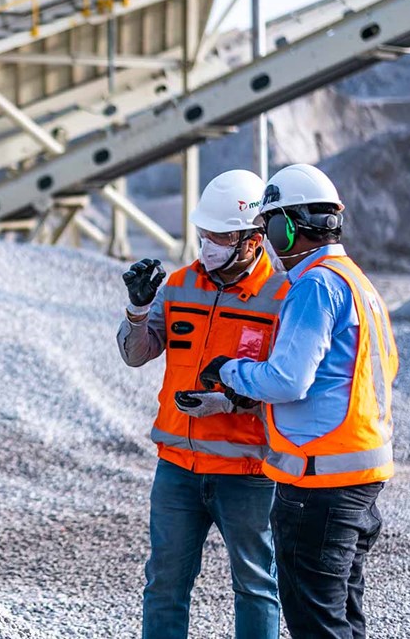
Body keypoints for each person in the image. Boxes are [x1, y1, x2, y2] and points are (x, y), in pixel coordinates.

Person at [199, 163, 399, 639]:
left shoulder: (314, 286)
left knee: (316, 626)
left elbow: (288, 381)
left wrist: (230, 370)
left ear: (287, 227)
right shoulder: (355, 281)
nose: (266, 238)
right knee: (343, 619)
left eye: (268, 225)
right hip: (360, 478)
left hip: (320, 483)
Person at [116, 168, 289, 639]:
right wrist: (136, 308)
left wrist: (229, 404)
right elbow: (136, 355)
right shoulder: (178, 285)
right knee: (165, 585)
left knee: (255, 585)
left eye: (219, 237)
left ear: (254, 240)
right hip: (177, 468)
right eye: (204, 235)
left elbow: (290, 388)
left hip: (247, 475)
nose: (207, 245)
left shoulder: (281, 298)